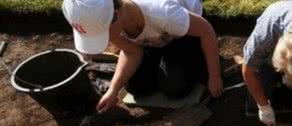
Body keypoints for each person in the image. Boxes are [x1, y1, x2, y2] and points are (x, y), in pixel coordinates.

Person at [62, 0, 223, 112]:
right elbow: (132, 51)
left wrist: (214, 76)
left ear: (116, 16)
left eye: (104, 34)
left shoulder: (162, 12)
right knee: (136, 87)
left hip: (186, 33)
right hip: (155, 38)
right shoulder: (109, 18)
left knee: (175, 87)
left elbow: (206, 31)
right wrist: (113, 90)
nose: (107, 39)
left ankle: (194, 60)